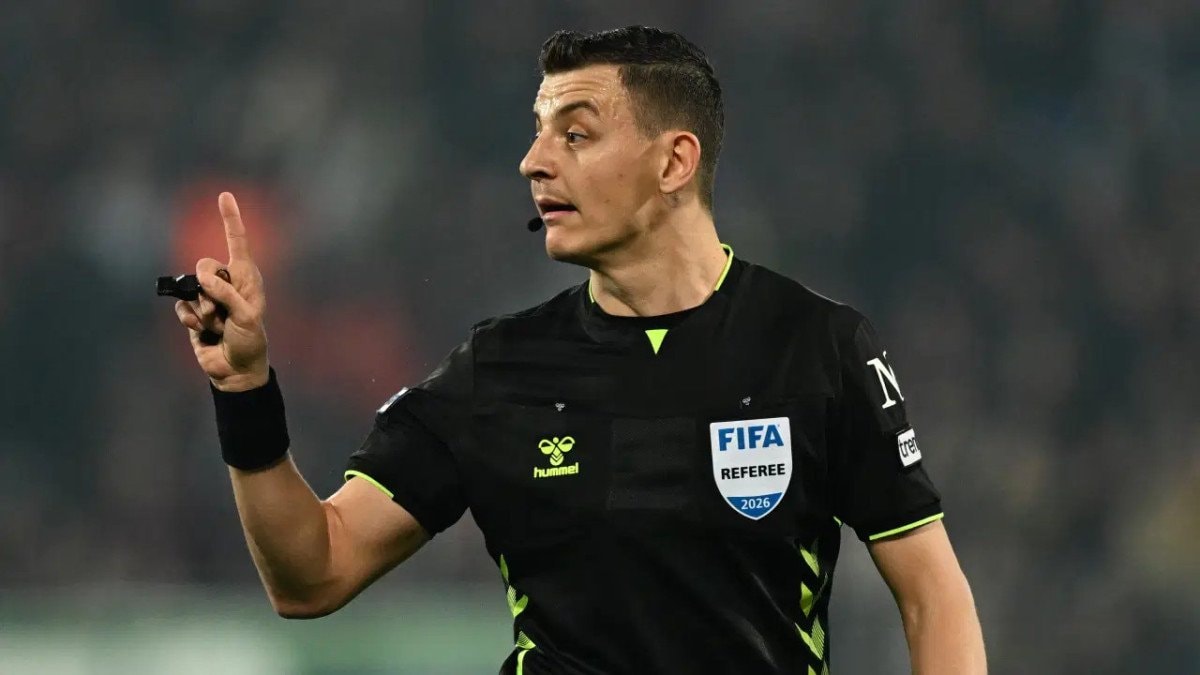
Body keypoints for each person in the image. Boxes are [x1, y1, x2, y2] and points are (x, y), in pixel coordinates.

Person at [174, 26, 986, 675]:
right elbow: (312, 573)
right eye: (538, 134)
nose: (534, 162)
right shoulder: (497, 371)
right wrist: (246, 390)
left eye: (576, 134)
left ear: (673, 161)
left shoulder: (817, 347)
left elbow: (932, 595)